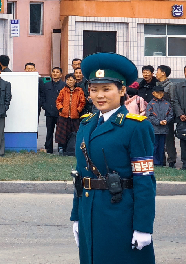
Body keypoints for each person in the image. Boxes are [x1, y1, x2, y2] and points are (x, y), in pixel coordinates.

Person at [70, 53, 156, 263]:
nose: (99, 95)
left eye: (106, 89)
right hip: (89, 210)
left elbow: (144, 180)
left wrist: (143, 227)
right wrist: (76, 216)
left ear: (122, 90)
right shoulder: (86, 124)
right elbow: (80, 175)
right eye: (94, 89)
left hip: (120, 213)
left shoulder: (135, 127)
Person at [55, 72, 86, 156]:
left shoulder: (79, 91)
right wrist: (61, 109)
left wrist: (78, 110)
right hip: (63, 116)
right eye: (68, 80)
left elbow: (82, 102)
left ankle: (73, 149)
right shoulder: (63, 90)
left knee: (74, 133)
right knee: (62, 134)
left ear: (75, 81)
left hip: (75, 116)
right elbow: (58, 101)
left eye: (71, 80)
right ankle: (62, 149)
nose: (69, 82)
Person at [39, 67, 64, 154]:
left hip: (60, 112)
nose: (55, 73)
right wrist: (45, 106)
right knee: (49, 131)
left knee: (60, 131)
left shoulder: (64, 85)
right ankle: (48, 148)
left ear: (61, 75)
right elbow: (42, 96)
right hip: (49, 112)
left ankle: (61, 148)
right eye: (53, 72)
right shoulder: (47, 85)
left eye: (57, 72)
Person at [147, 86, 173, 166]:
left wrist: (166, 120)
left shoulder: (167, 103)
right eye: (158, 93)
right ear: (153, 93)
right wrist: (158, 122)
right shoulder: (151, 104)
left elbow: (170, 114)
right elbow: (149, 116)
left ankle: (161, 162)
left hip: (164, 129)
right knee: (154, 146)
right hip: (154, 129)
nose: (160, 94)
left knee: (162, 147)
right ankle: (155, 162)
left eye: (161, 92)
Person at [155, 65, 175, 167]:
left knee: (169, 139)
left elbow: (173, 101)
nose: (156, 73)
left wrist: (169, 116)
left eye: (157, 71)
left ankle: (172, 160)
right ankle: (160, 160)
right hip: (156, 117)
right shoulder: (156, 84)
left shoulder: (170, 85)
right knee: (158, 139)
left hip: (167, 117)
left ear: (163, 73)